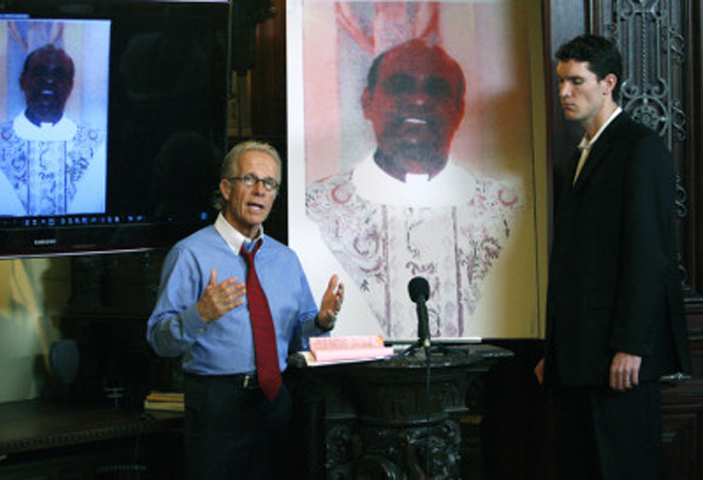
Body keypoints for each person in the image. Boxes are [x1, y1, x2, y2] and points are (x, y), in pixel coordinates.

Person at [534, 34, 691, 480]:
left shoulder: (640, 149)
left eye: (576, 81)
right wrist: (556, 351)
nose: (564, 92)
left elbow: (649, 255)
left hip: (618, 359)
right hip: (579, 358)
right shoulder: (582, 154)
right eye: (561, 81)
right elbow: (575, 266)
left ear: (608, 83)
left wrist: (631, 345)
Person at [147, 141, 344, 480]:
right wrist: (200, 314)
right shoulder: (190, 254)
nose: (260, 191)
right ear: (225, 188)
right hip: (216, 403)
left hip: (276, 401)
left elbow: (299, 335)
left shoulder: (285, 259)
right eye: (250, 179)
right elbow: (158, 340)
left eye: (269, 184)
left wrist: (321, 322)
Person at [307, 38, 519, 338]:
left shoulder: (505, 207)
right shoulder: (319, 206)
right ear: (368, 102)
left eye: (436, 89)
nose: (419, 101)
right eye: (400, 85)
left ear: (459, 109)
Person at [0, 43, 106, 217]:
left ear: (70, 86)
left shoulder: (97, 146)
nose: (49, 81)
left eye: (59, 74)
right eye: (40, 72)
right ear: (23, 81)